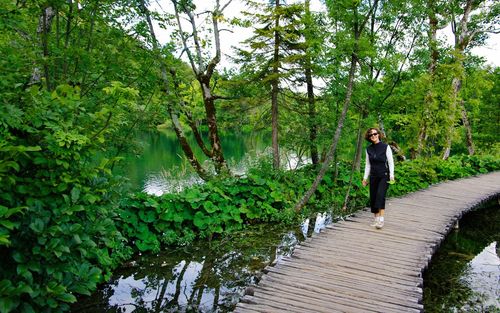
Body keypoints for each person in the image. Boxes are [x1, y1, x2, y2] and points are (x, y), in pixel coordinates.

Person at [362, 128, 395, 229]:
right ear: (369, 137)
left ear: (378, 135)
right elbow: (368, 165)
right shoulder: (368, 149)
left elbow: (390, 162)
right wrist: (364, 178)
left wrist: (392, 175)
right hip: (373, 176)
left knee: (380, 196)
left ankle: (381, 220)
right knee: (374, 197)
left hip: (384, 175)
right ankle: (376, 219)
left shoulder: (385, 147)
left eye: (375, 134)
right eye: (371, 135)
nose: (373, 136)